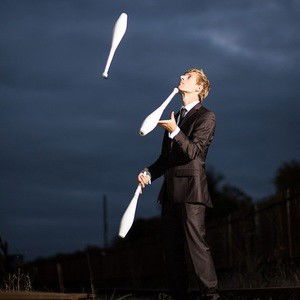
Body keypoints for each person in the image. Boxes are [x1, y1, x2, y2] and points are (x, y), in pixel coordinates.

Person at [137, 68, 220, 300]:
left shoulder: (206, 116)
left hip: (192, 192)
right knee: (172, 251)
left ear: (199, 88)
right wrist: (149, 173)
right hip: (170, 193)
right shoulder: (175, 116)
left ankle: (211, 295)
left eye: (188, 77)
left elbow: (194, 152)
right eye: (183, 75)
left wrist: (175, 131)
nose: (182, 77)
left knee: (196, 247)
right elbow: (166, 160)